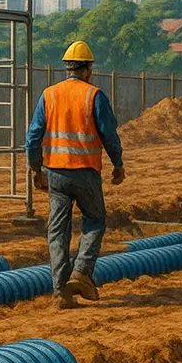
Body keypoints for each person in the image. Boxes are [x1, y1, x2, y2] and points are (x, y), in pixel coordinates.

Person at [25, 41, 125, 310]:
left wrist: (35, 169)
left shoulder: (49, 95)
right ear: (88, 69)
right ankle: (81, 272)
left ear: (67, 68)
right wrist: (118, 164)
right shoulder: (94, 96)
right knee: (94, 219)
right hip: (86, 173)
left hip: (56, 173)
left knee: (58, 230)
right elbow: (109, 135)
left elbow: (33, 137)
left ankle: (60, 291)